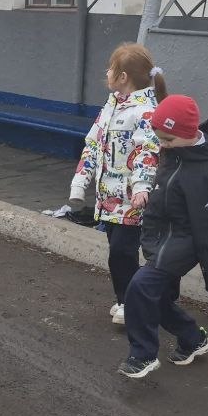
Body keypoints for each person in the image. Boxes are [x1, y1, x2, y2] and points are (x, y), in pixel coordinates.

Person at [118, 95, 208, 379]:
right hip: (163, 237)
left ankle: (142, 355)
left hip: (185, 241)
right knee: (156, 298)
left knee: (140, 287)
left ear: (189, 134)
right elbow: (165, 192)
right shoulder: (176, 153)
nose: (163, 145)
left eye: (168, 139)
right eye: (160, 139)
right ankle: (192, 338)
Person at [67, 43, 163, 325]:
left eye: (111, 68)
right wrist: (79, 185)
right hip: (109, 199)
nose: (106, 72)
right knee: (118, 253)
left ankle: (133, 303)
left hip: (132, 201)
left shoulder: (144, 111)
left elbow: (147, 153)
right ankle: (126, 299)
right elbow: (92, 145)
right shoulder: (112, 106)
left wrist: (143, 188)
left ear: (123, 76)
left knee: (123, 253)